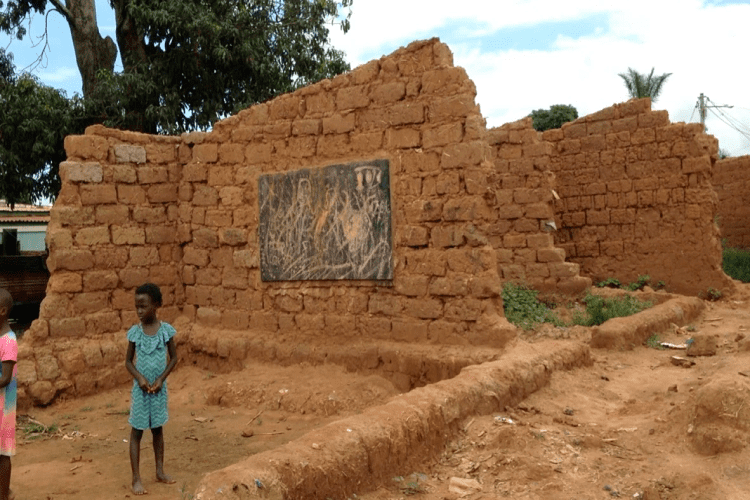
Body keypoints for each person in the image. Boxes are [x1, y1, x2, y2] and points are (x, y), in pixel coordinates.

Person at [125, 283, 178, 495]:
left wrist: (161, 379)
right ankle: (136, 479)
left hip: (158, 390)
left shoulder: (166, 331)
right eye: (136, 306)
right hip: (141, 391)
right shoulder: (135, 333)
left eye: (143, 306)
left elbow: (174, 358)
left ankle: (159, 471)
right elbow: (128, 362)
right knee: (136, 432)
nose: (139, 311)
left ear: (156, 305)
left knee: (157, 430)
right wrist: (139, 378)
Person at [0, 289, 17, 500]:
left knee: (3, 452)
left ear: (2, 311)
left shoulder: (9, 341)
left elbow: (5, 378)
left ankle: (4, 495)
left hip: (4, 407)